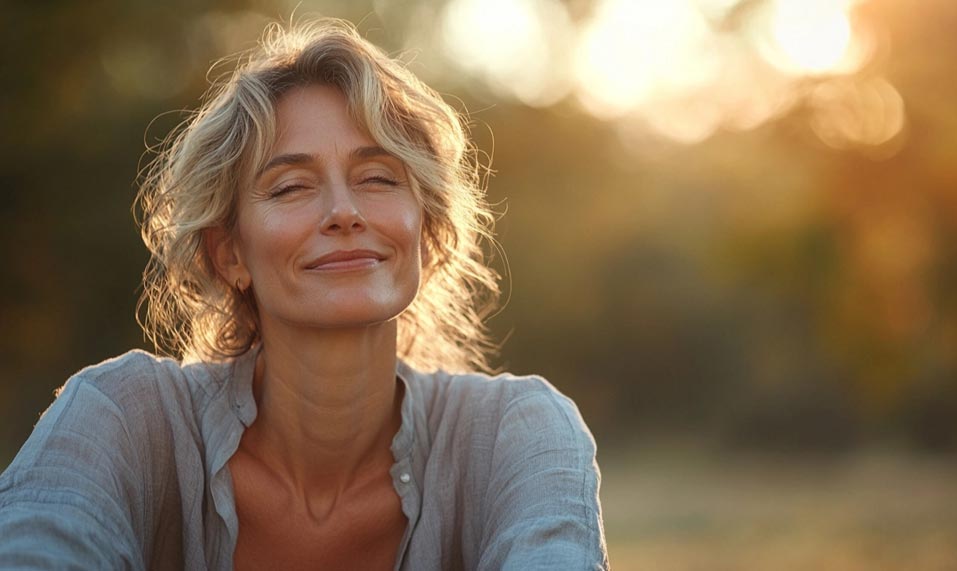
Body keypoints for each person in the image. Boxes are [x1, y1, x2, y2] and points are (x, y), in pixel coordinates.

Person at [0, 17, 608, 571]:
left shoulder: (515, 433)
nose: (344, 212)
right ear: (229, 253)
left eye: (377, 178)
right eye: (291, 187)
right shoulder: (124, 416)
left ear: (425, 233)